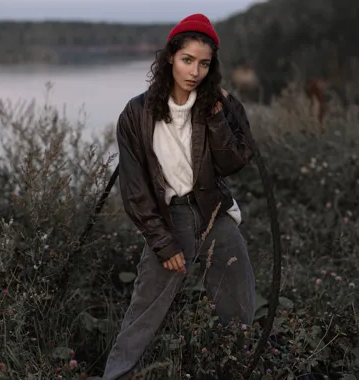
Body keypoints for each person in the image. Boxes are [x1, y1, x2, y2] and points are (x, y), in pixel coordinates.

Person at [100, 13, 257, 380]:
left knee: (237, 291)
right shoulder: (137, 112)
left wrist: (218, 119)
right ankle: (117, 375)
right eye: (188, 60)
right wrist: (161, 241)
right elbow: (135, 189)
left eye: (204, 63)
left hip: (212, 210)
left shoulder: (221, 105)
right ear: (170, 56)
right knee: (146, 302)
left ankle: (235, 367)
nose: (195, 71)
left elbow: (237, 160)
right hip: (171, 217)